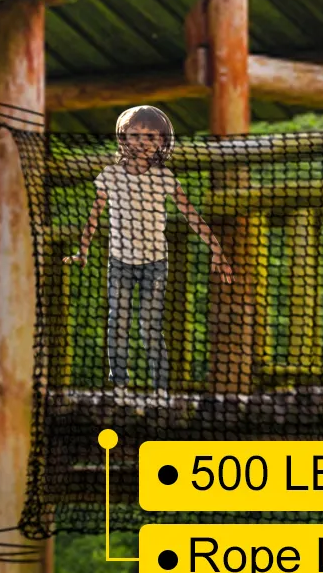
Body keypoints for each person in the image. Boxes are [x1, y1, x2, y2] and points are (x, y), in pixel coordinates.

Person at [67, 105, 230, 389]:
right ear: (124, 138)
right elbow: (94, 214)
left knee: (149, 326)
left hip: (155, 263)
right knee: (118, 323)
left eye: (151, 136)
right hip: (120, 261)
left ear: (162, 143)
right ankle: (118, 384)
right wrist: (83, 251)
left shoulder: (164, 177)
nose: (142, 142)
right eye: (136, 135)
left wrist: (215, 247)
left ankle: (161, 389)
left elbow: (190, 213)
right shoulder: (112, 175)